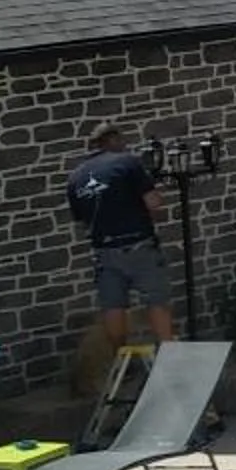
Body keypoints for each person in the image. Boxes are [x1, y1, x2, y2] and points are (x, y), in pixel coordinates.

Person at [66, 123, 173, 347]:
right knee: (156, 301)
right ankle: (168, 354)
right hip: (138, 245)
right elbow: (152, 202)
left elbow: (81, 222)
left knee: (114, 307)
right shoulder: (127, 162)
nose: (124, 144)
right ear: (112, 140)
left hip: (104, 252)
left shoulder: (75, 178)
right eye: (122, 139)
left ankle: (119, 360)